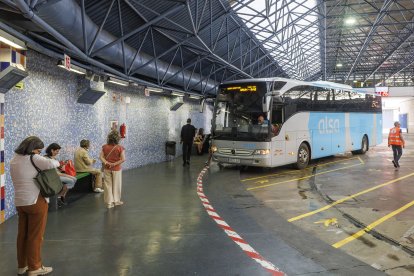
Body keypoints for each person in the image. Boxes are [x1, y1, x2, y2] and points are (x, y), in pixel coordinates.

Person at [10, 136, 59, 276]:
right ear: (33, 149)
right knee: (35, 236)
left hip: (20, 202)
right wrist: (50, 159)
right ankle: (35, 267)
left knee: (22, 235)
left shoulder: (14, 159)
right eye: (38, 150)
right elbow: (53, 163)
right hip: (35, 200)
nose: (39, 152)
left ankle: (22, 266)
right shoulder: (34, 158)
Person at [100, 130, 125, 209]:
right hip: (116, 169)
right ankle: (116, 201)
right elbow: (123, 159)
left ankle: (109, 203)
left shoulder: (104, 147)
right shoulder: (120, 148)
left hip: (107, 169)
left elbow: (100, 157)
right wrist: (114, 164)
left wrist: (106, 162)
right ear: (117, 139)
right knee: (116, 185)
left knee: (108, 186)